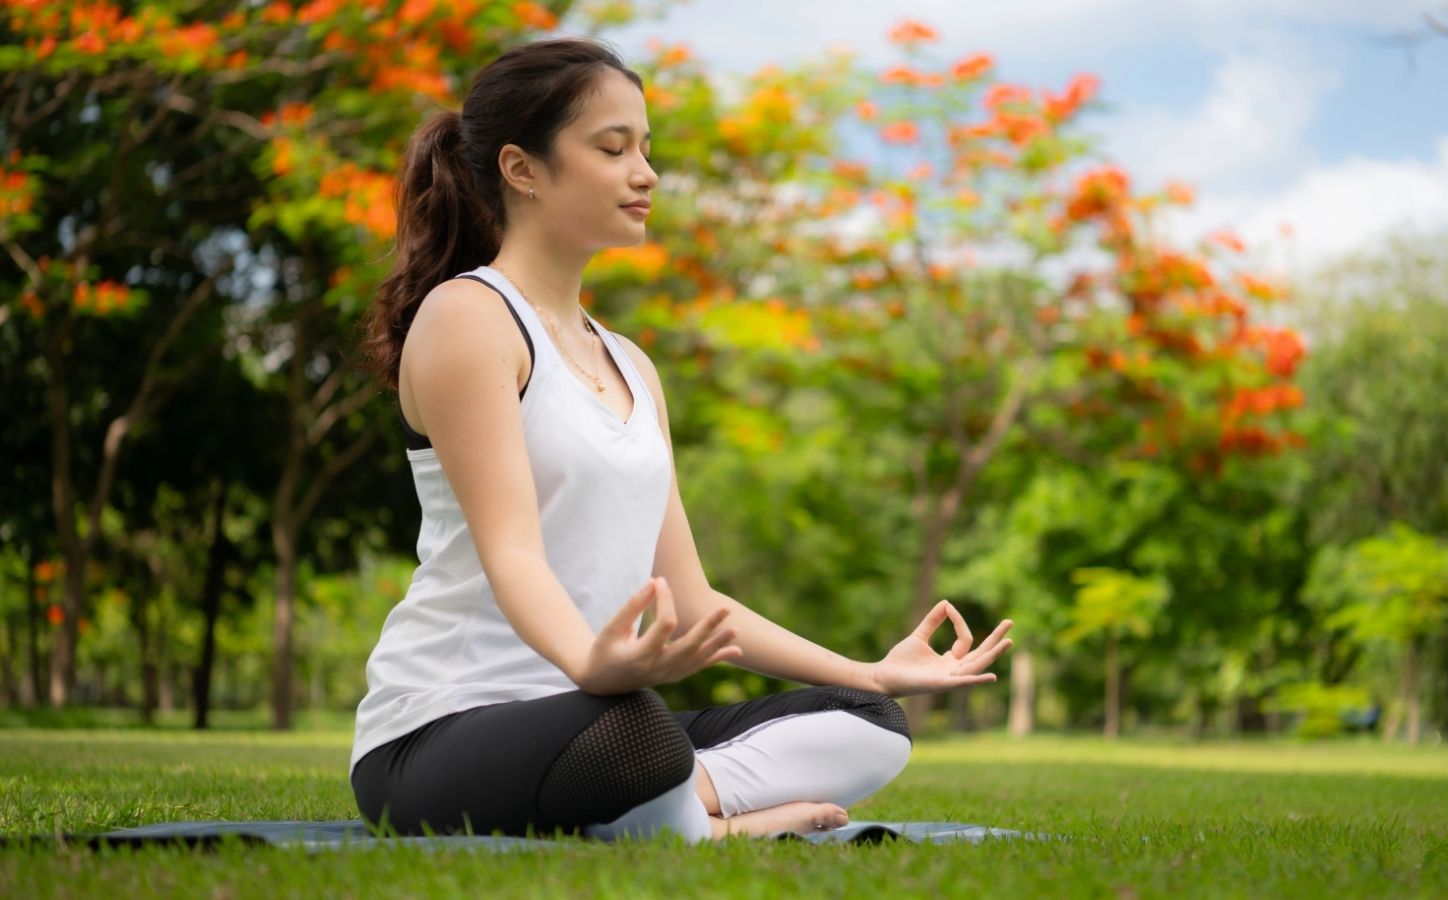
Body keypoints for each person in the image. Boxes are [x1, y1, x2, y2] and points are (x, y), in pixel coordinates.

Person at [350, 36, 1014, 844]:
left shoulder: (630, 364)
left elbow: (696, 605)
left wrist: (868, 669)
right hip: (443, 731)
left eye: (646, 148)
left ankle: (667, 805)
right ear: (523, 169)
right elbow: (514, 553)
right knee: (633, 730)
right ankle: (713, 823)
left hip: (600, 717)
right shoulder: (468, 318)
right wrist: (595, 667)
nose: (646, 173)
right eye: (613, 147)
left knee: (870, 723)